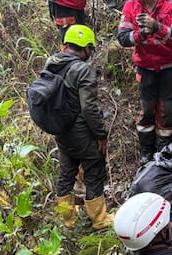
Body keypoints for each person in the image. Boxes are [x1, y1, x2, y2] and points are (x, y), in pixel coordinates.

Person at [47, 25, 113, 231]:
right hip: (81, 132)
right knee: (94, 170)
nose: (90, 53)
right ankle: (99, 219)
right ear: (85, 47)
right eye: (90, 48)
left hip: (60, 129)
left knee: (66, 173)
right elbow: (89, 108)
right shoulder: (83, 70)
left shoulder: (52, 63)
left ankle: (69, 220)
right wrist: (100, 134)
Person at [118, 0, 172, 164]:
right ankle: (146, 150)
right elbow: (122, 38)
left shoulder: (170, 5)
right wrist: (141, 33)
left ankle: (164, 150)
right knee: (147, 109)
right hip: (145, 67)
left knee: (166, 110)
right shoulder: (131, 6)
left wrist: (157, 27)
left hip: (169, 66)